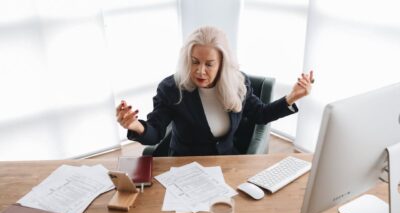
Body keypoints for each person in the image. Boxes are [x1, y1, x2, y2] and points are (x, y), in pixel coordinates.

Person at [116, 26, 314, 156]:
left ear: (222, 64)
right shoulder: (171, 88)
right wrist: (135, 126)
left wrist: (291, 97)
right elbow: (156, 133)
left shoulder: (238, 82)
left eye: (209, 64)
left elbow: (260, 114)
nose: (200, 71)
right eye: (194, 62)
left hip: (226, 162)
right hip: (184, 165)